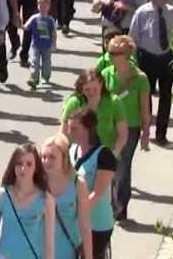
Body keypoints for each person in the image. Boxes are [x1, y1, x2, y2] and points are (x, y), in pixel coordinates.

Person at [127, 0, 173, 145]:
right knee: (145, 95)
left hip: (166, 58)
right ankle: (145, 127)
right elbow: (133, 38)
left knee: (166, 95)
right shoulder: (142, 13)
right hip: (147, 58)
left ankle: (161, 133)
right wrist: (131, 62)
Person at [102, 35, 151, 221]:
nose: (111, 56)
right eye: (110, 53)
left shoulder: (140, 79)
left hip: (130, 128)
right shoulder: (106, 74)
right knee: (108, 166)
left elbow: (145, 109)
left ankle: (120, 208)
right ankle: (109, 204)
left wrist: (146, 133)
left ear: (127, 54)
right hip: (108, 126)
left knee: (122, 167)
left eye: (115, 53)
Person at [66, 108, 118, 259]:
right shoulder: (72, 150)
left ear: (88, 129)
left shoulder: (103, 155)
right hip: (75, 223)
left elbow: (97, 193)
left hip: (97, 223)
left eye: (74, 128)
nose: (70, 132)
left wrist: (77, 212)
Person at [0, 143, 55, 259]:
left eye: (29, 164)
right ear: (13, 166)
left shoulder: (46, 200)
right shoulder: (0, 196)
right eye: (19, 164)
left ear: (36, 168)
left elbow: (49, 246)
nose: (23, 169)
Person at [43, 134, 94, 259]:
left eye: (52, 157)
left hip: (67, 251)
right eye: (43, 157)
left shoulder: (78, 184)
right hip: (39, 251)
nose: (46, 161)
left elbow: (85, 226)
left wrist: (89, 256)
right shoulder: (36, 184)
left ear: (64, 158)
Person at [58, 69, 127, 154]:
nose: (91, 93)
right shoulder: (74, 103)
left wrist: (115, 152)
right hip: (79, 154)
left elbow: (123, 132)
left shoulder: (114, 102)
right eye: (87, 89)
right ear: (81, 89)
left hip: (105, 153)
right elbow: (63, 133)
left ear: (101, 85)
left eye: (95, 89)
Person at [24, 0, 58, 90]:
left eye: (44, 6)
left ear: (48, 7)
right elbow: (26, 27)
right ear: (37, 6)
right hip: (35, 45)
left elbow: (54, 32)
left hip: (47, 46)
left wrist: (54, 44)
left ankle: (45, 76)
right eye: (40, 5)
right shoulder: (34, 18)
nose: (42, 7)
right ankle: (34, 79)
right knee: (34, 62)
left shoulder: (50, 20)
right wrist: (20, 25)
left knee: (46, 63)